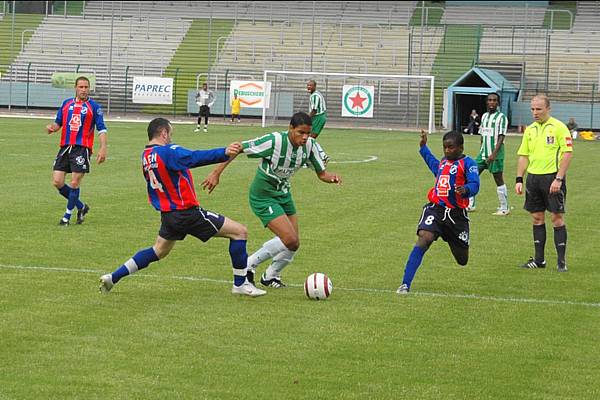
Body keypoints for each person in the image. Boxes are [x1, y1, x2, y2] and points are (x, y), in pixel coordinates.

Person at [99, 118, 266, 297]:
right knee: (240, 232)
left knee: (159, 250)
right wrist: (223, 152)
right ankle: (240, 284)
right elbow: (194, 157)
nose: (171, 138)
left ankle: (113, 277)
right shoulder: (168, 151)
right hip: (186, 213)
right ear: (163, 133)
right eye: (170, 134)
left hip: (169, 215)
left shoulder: (146, 156)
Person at [202, 112, 342, 288]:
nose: (305, 137)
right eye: (301, 132)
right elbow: (238, 148)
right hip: (263, 194)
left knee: (293, 243)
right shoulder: (274, 141)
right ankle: (249, 263)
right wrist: (216, 173)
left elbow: (321, 173)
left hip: (283, 192)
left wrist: (332, 178)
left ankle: (270, 276)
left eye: (308, 133)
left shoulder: (310, 145)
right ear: (290, 129)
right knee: (289, 239)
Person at [397, 130, 480, 294]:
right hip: (436, 210)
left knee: (462, 260)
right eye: (445, 148)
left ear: (461, 147)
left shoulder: (469, 164)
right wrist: (423, 148)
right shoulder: (443, 162)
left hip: (456, 216)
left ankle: (450, 237)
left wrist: (466, 189)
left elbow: (475, 184)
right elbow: (435, 166)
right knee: (424, 238)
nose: (447, 151)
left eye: (451, 147)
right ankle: (405, 284)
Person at [515, 95, 573, 272]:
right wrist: (519, 179)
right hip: (533, 179)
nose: (535, 112)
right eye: (532, 109)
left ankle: (561, 262)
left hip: (552, 179)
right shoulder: (530, 130)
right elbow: (524, 155)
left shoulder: (559, 127)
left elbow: (567, 153)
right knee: (537, 218)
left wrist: (559, 178)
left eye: (538, 109)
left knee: (556, 218)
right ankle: (539, 260)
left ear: (548, 108)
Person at [46, 76, 107, 226]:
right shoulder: (66, 104)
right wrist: (52, 128)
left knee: (74, 182)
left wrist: (103, 148)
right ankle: (81, 206)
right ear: (75, 88)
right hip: (65, 147)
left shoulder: (94, 107)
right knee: (57, 181)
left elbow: (102, 129)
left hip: (82, 149)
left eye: (86, 87)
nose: (84, 90)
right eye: (81, 87)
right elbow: (58, 122)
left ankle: (66, 217)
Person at [467, 93, 510, 215]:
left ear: (498, 103)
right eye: (490, 100)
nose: (492, 102)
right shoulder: (484, 116)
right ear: (487, 102)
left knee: (498, 179)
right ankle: (470, 204)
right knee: (471, 175)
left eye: (494, 100)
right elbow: (482, 134)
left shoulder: (501, 117)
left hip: (495, 154)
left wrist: (494, 154)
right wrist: (482, 150)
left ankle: (504, 207)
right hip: (483, 154)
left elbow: (501, 137)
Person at [307, 79, 329, 164]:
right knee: (309, 139)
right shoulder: (315, 94)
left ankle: (322, 157)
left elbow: (314, 110)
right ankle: (323, 156)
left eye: (310, 85)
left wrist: (307, 118)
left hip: (318, 117)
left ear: (314, 86)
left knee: (309, 139)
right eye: (308, 85)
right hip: (318, 117)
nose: (309, 87)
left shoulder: (315, 96)